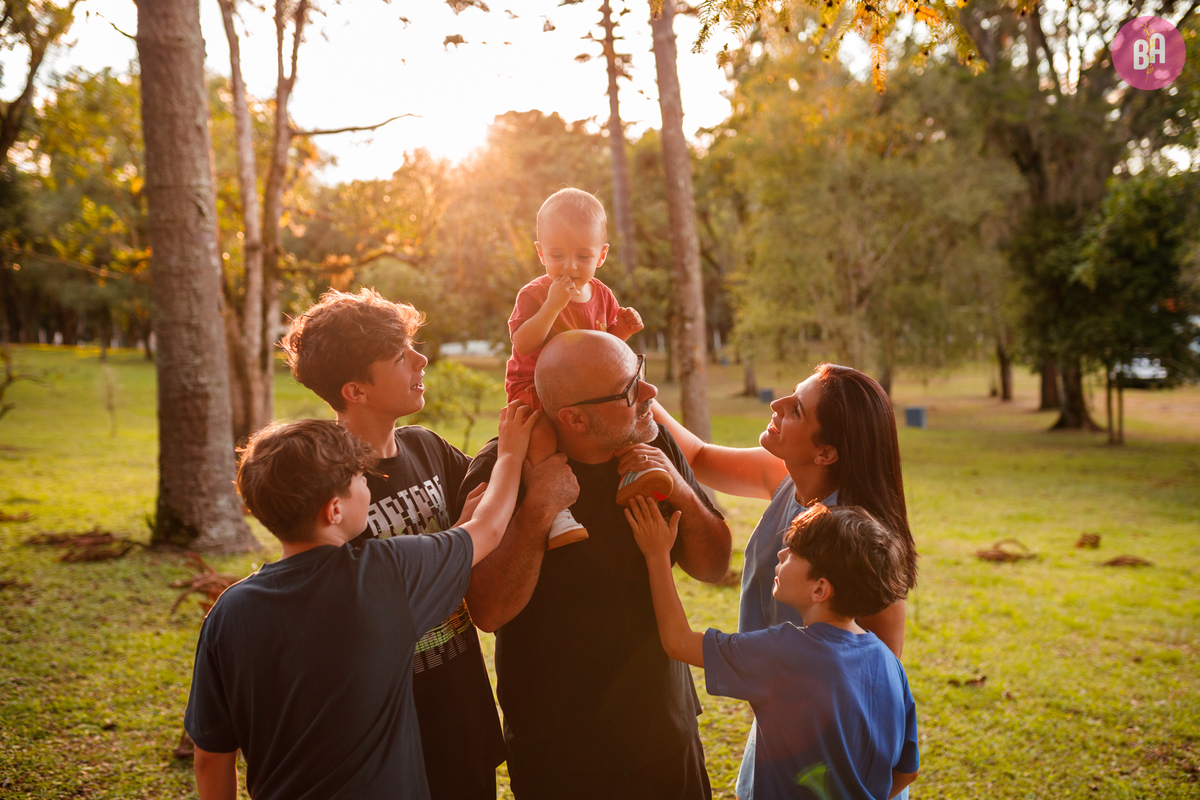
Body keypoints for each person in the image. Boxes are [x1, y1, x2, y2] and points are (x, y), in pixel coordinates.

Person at [185, 410, 535, 800]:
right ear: (334, 510)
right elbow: (486, 528)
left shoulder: (229, 612)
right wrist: (510, 454)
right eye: (358, 480)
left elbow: (211, 757)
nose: (367, 486)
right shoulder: (384, 575)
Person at [463, 330, 732, 800]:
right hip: (560, 753)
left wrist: (681, 490)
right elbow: (487, 611)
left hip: (664, 730)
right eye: (630, 389)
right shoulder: (504, 467)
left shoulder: (653, 442)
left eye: (640, 372)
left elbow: (712, 567)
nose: (649, 393)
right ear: (574, 419)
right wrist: (537, 511)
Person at [280, 288, 519, 800]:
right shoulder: (331, 493)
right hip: (381, 738)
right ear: (355, 391)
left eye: (414, 345)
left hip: (461, 715)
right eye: (399, 356)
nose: (421, 359)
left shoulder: (427, 447)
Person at [651, 363, 918, 798]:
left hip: (828, 750)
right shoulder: (786, 477)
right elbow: (696, 458)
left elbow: (876, 668)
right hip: (778, 719)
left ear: (826, 452)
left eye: (795, 408)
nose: (775, 404)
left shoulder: (853, 545)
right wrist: (634, 388)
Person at [626, 498, 919, 800]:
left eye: (794, 553)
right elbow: (907, 771)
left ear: (820, 589)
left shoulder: (784, 652)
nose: (781, 553)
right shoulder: (889, 662)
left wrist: (657, 554)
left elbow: (678, 642)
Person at [506, 188, 644, 547]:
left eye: (582, 256)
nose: (569, 266)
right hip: (536, 386)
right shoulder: (535, 295)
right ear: (540, 252)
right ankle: (554, 510)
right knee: (540, 436)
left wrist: (621, 332)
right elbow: (522, 343)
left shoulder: (602, 295)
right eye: (556, 255)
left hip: (586, 391)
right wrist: (553, 305)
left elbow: (604, 354)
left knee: (626, 418)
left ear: (601, 255)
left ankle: (634, 477)